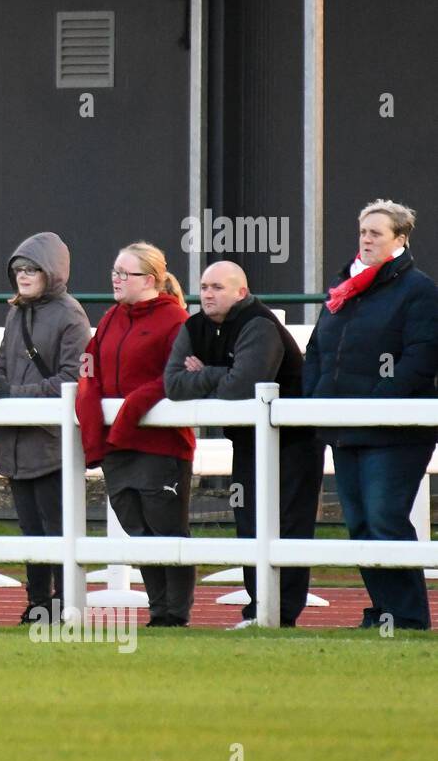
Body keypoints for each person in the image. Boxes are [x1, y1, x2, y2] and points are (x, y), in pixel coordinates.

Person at [304, 199, 438, 630]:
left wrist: (381, 398)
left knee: (384, 518)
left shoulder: (418, 290)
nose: (366, 239)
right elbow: (319, 349)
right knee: (360, 523)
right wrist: (315, 395)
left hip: (395, 431)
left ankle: (409, 617)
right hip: (345, 427)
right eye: (363, 231)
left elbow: (422, 356)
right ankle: (385, 611)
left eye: (377, 233)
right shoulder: (345, 286)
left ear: (400, 239)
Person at [164, 261, 322, 627]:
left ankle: (282, 616)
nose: (207, 294)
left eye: (218, 287)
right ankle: (257, 610)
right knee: (249, 522)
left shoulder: (259, 324)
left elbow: (241, 388)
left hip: (293, 443)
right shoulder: (194, 326)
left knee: (288, 526)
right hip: (249, 442)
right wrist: (224, 376)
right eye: (204, 286)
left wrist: (205, 373)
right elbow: (172, 385)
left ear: (241, 291)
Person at [77, 242, 196, 626]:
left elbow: (174, 375)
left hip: (160, 445)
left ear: (149, 279)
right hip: (117, 445)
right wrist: (92, 411)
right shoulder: (111, 317)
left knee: (166, 529)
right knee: (137, 527)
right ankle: (158, 609)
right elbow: (89, 365)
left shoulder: (175, 319)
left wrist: (132, 408)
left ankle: (174, 614)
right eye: (114, 271)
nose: (115, 278)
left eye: (123, 273)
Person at [0, 232, 90, 624]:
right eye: (18, 270)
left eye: (32, 269)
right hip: (16, 442)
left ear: (52, 272)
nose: (23, 276)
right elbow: (3, 366)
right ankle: (38, 601)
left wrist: (13, 393)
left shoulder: (71, 316)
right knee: (30, 531)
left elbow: (70, 382)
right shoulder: (15, 313)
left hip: (51, 443)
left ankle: (63, 602)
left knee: (56, 529)